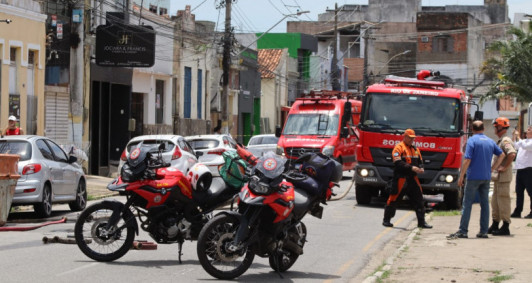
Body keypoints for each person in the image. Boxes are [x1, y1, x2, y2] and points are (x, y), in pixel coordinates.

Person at [449, 121, 504, 239]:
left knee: (467, 203)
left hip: (473, 176)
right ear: (483, 128)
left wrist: (461, 176)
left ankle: (463, 231)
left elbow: (467, 159)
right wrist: (492, 168)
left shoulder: (472, 141)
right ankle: (483, 231)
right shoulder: (490, 141)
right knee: (485, 204)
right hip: (486, 177)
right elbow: (502, 155)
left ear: (472, 129)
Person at [382, 129, 432, 229]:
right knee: (394, 199)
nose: (411, 140)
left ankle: (421, 222)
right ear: (404, 137)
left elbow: (420, 160)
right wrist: (411, 168)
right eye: (410, 138)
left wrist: (421, 168)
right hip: (401, 178)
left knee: (419, 200)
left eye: (413, 138)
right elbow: (398, 163)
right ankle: (386, 220)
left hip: (413, 178)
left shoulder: (415, 149)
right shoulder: (399, 148)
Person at [489, 117, 517, 236]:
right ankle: (495, 224)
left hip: (503, 177)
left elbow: (512, 153)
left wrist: (504, 167)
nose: (494, 128)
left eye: (496, 126)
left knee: (503, 201)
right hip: (498, 178)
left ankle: (505, 226)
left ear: (500, 127)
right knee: (495, 202)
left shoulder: (506, 140)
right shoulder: (500, 140)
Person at [510, 125, 532, 219]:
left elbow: (526, 147)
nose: (527, 131)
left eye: (529, 129)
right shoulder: (524, 140)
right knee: (519, 191)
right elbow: (515, 145)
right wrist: (514, 137)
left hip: (529, 169)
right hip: (520, 169)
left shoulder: (529, 142)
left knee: (530, 192)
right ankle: (518, 211)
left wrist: (518, 137)